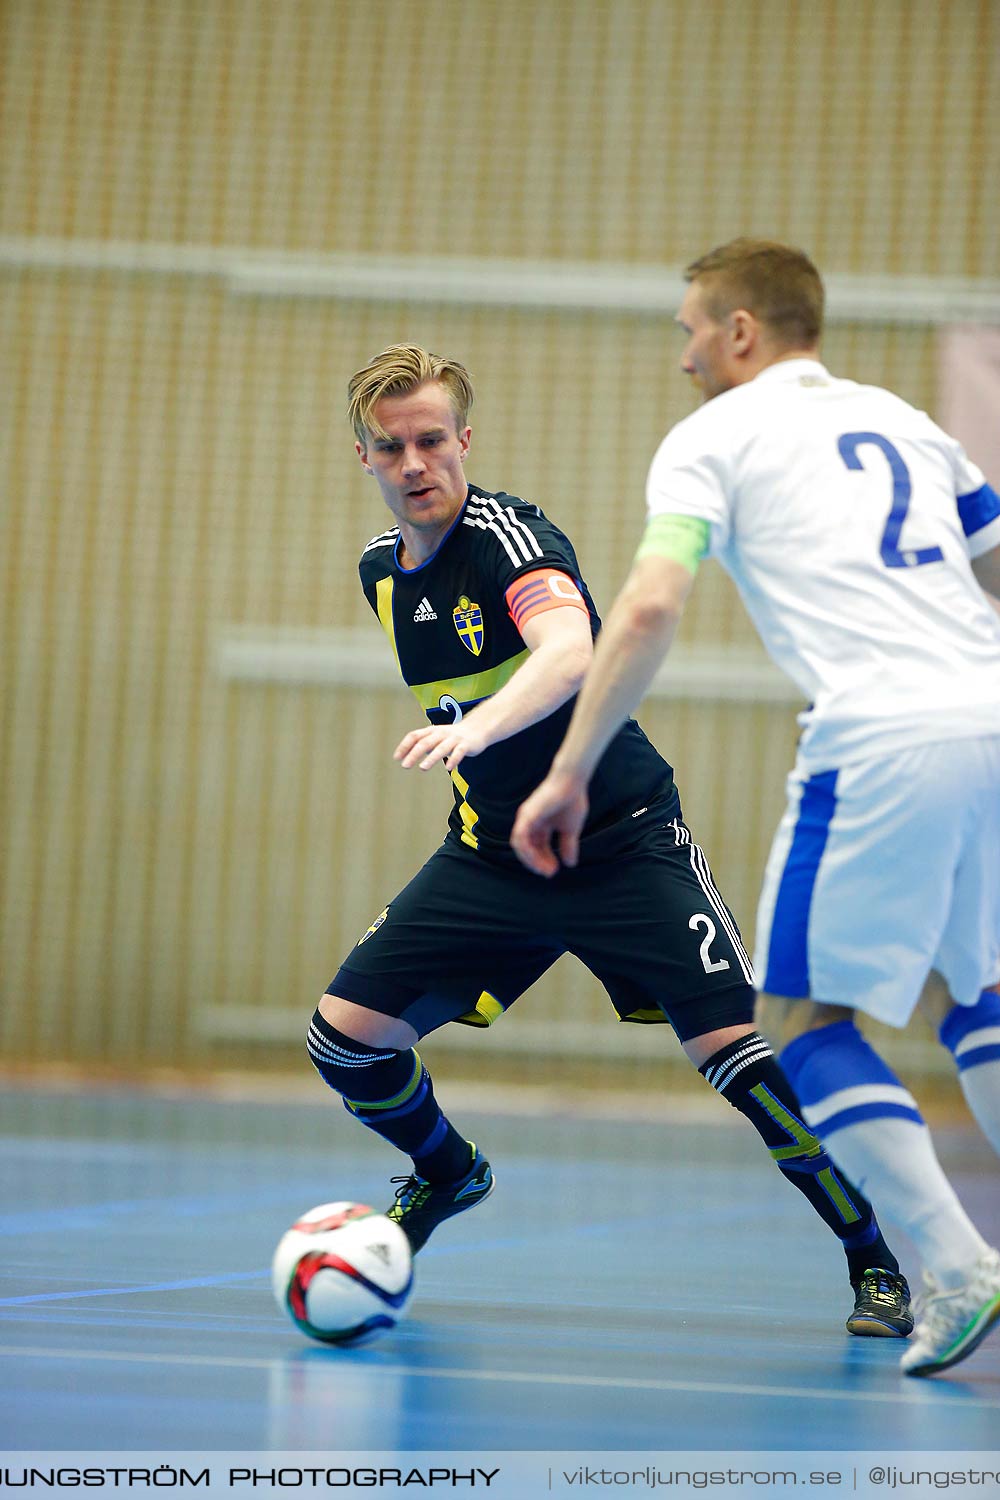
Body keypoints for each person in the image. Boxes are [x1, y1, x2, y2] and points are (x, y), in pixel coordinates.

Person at [306, 339, 911, 1339]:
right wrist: (481, 757)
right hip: (494, 854)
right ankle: (447, 1173)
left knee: (746, 1065)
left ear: (465, 439)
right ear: (361, 456)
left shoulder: (511, 539)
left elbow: (570, 651)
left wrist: (477, 727)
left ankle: (874, 1261)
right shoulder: (381, 573)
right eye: (390, 446)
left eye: (430, 441)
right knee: (347, 1039)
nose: (415, 464)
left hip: (622, 843)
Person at [510, 239, 1000, 1379]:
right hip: (990, 718)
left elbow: (645, 608)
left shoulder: (709, 441)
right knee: (980, 996)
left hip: (881, 734)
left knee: (805, 1023)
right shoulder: (911, 426)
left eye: (689, 328)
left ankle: (957, 1267)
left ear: (741, 330)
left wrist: (570, 767)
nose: (681, 356)